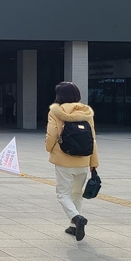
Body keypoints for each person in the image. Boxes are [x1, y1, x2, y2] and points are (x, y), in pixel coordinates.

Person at [45, 81, 99, 241]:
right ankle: (75, 226)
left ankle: (76, 217)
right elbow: (93, 138)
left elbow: (52, 134)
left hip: (64, 159)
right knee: (77, 193)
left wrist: (49, 148)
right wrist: (93, 162)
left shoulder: (55, 112)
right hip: (83, 159)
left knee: (62, 194)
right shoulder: (86, 112)